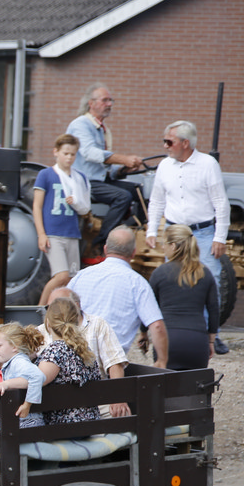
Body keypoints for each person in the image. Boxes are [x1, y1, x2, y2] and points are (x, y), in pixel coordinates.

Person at [145, 120, 230, 354]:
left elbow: (220, 202)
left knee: (210, 279)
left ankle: (212, 334)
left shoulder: (208, 164)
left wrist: (220, 237)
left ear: (185, 143)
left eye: (169, 141)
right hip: (174, 232)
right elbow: (157, 201)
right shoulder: (164, 166)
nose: (165, 146)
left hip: (203, 232)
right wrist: (151, 230)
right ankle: (170, 332)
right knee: (172, 280)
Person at [68, 226, 169, 368]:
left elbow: (57, 312)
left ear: (105, 249)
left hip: (73, 358)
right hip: (108, 363)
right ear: (133, 253)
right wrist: (162, 361)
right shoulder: (138, 283)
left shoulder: (80, 276)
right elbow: (157, 326)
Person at [66, 84, 144, 250]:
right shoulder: (80, 124)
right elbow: (90, 153)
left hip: (99, 181)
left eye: (111, 100)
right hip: (84, 182)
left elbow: (103, 168)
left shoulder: (102, 129)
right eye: (105, 100)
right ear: (91, 103)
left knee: (138, 190)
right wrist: (124, 159)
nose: (109, 104)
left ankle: (140, 234)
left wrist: (123, 169)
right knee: (122, 196)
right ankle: (100, 244)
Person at [40, 288, 131, 418]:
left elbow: (114, 362)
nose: (53, 312)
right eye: (49, 308)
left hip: (95, 398)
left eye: (58, 307)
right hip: (57, 402)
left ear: (76, 306)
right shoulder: (41, 331)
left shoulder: (97, 324)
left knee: (122, 414)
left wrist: (117, 397)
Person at [149, 224, 218, 370]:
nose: (162, 247)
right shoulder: (205, 273)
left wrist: (143, 333)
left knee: (165, 383)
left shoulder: (160, 273)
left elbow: (149, 308)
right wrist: (211, 341)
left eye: (164, 243)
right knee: (195, 383)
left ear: (173, 246)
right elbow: (214, 310)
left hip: (167, 340)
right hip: (197, 342)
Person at [33, 134, 91, 304]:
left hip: (72, 233)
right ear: (56, 152)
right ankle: (40, 309)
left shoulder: (79, 178)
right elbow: (37, 206)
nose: (69, 157)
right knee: (61, 275)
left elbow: (85, 207)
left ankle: (61, 311)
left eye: (72, 154)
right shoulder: (45, 175)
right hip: (53, 233)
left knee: (71, 279)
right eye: (65, 153)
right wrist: (41, 234)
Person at [34, 298, 103, 426]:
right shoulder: (84, 349)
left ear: (48, 323)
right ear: (76, 321)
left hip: (63, 427)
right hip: (90, 423)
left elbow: (36, 380)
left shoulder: (55, 351)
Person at [0, 323, 45, 428]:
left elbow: (38, 376)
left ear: (14, 347)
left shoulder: (19, 361)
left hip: (28, 422)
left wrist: (27, 405)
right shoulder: (12, 362)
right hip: (19, 420)